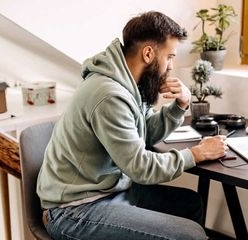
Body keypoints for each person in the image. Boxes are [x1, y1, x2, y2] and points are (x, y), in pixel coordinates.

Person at [36, 11, 228, 240]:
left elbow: (143, 134)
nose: (170, 66)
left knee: (190, 204)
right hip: (73, 210)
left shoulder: (129, 85)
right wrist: (196, 154)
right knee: (191, 235)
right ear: (148, 53)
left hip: (108, 191)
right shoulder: (109, 95)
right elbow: (140, 167)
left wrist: (180, 106)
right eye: (169, 57)